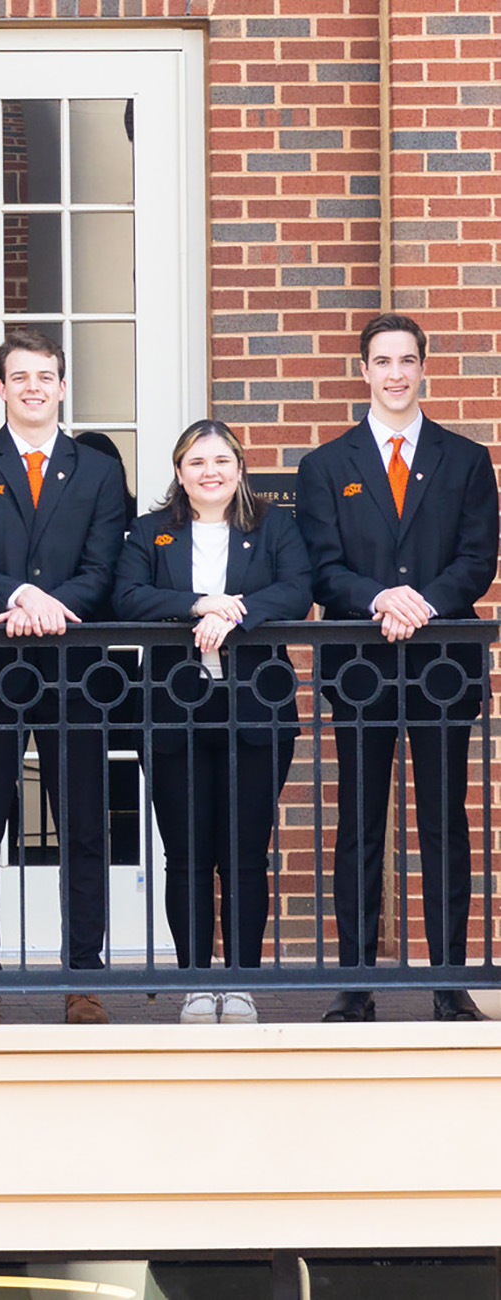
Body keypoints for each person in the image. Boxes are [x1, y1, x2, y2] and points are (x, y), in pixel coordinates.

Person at [295, 314, 499, 1023]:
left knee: (444, 822)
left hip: (443, 663)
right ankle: (356, 985)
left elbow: (477, 560)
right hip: (359, 667)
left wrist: (421, 604)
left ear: (423, 369)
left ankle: (448, 981)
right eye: (382, 361)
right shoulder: (327, 465)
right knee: (358, 823)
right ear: (364, 371)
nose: (395, 373)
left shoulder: (466, 459)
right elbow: (323, 570)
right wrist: (381, 596)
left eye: (407, 360)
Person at [0, 325, 132, 1026]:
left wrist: (53, 605)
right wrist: (19, 597)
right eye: (19, 377)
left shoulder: (100, 471)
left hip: (74, 669)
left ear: (61, 385)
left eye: (44, 376)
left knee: (83, 826)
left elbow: (106, 568)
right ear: (1, 387)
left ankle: (83, 976)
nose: (32, 388)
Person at [114, 419, 312, 1023]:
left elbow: (297, 590)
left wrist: (237, 613)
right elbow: (126, 597)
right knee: (189, 853)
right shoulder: (151, 534)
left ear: (239, 469)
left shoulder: (274, 528)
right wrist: (199, 604)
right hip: (174, 710)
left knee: (246, 852)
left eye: (222, 461)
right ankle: (198, 981)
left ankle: (242, 982)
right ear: (179, 473)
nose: (211, 472)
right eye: (197, 462)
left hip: (255, 709)